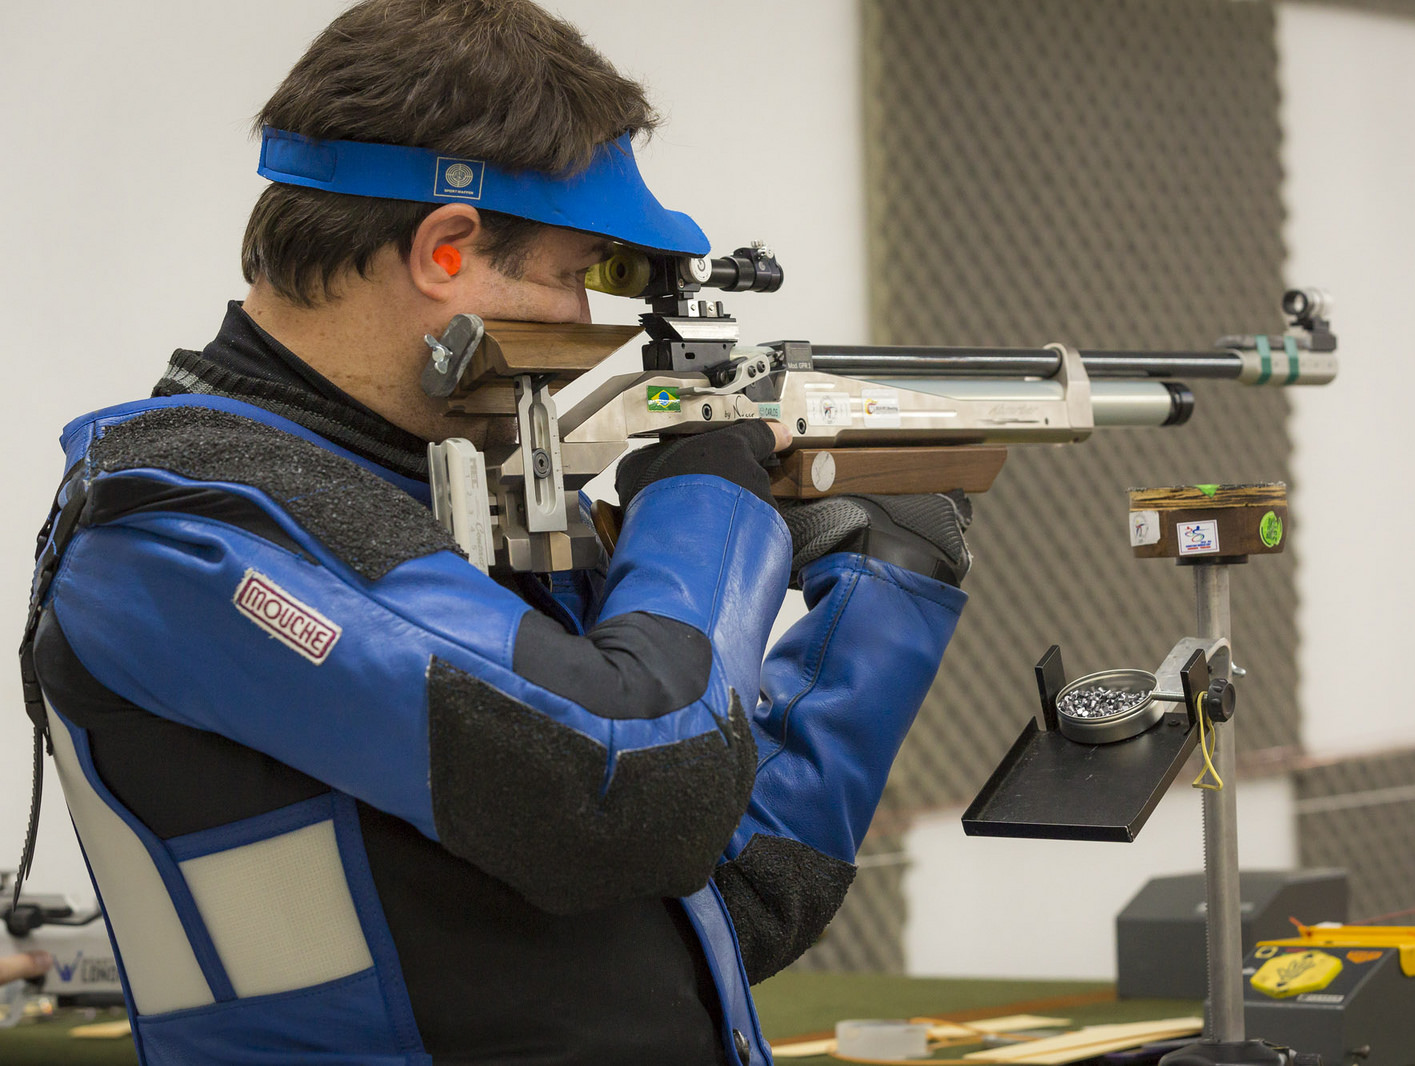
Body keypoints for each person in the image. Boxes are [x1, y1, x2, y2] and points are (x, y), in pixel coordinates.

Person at [18, 1, 971, 1063]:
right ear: (447, 249)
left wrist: (881, 600)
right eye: (578, 275)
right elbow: (637, 794)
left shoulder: (446, 508)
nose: (586, 326)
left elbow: (712, 911)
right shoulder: (180, 526)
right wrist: (706, 488)